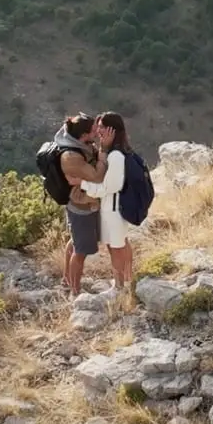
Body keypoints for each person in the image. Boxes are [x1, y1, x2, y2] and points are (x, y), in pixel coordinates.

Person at [78, 111, 136, 308]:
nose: (99, 130)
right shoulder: (114, 152)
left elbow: (110, 187)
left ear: (113, 129)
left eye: (102, 127)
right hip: (113, 208)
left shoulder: (117, 156)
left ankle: (120, 286)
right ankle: (126, 281)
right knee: (120, 244)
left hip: (113, 209)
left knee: (116, 247)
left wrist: (83, 184)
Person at [50, 114, 108, 298]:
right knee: (81, 250)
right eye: (93, 130)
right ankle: (75, 291)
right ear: (84, 135)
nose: (96, 132)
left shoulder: (81, 145)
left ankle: (68, 280)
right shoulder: (71, 156)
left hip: (86, 201)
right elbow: (97, 176)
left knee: (76, 242)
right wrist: (104, 150)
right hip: (81, 205)